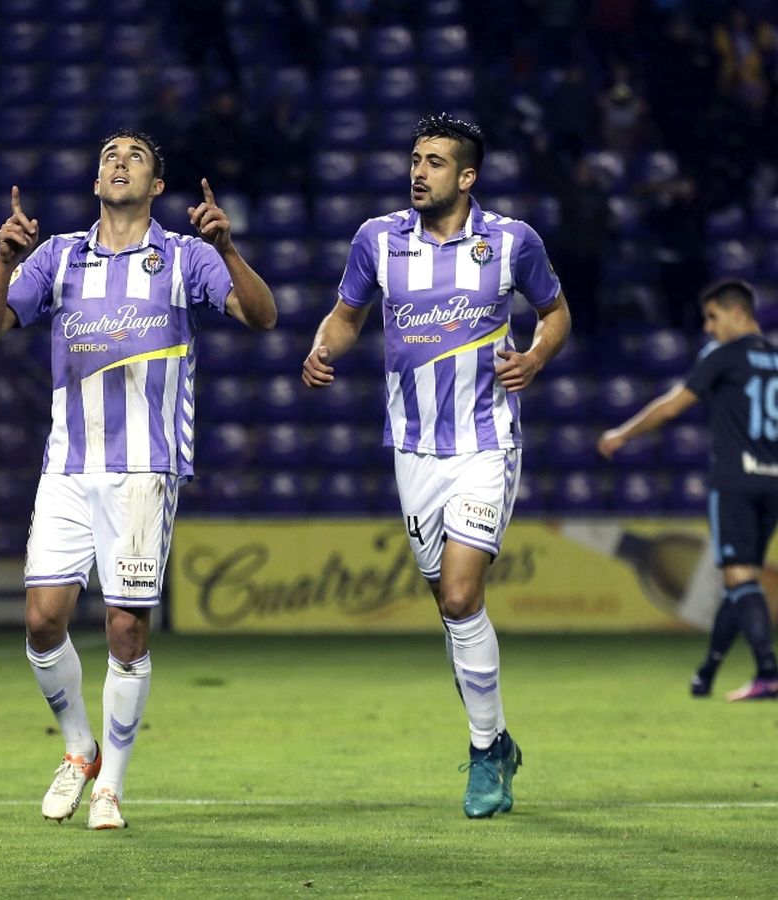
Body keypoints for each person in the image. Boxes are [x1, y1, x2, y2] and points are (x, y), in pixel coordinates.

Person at [0, 129, 277, 829]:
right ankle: (81, 750)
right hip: (67, 468)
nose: (118, 161)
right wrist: (1, 261)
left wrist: (228, 249)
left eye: (135, 156)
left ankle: (112, 786)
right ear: (95, 178)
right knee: (42, 621)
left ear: (157, 186)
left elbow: (263, 317)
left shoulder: (185, 257)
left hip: (145, 470)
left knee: (124, 633)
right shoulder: (57, 255)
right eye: (109, 154)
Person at [301, 113, 571, 819]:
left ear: (468, 176)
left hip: (486, 443)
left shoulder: (513, 242)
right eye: (415, 159)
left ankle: (485, 756)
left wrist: (536, 357)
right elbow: (345, 316)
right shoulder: (376, 241)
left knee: (458, 596)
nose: (419, 171)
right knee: (452, 612)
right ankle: (500, 739)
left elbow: (556, 312)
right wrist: (322, 347)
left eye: (435, 162)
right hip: (413, 451)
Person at [600, 278, 778, 701]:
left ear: (737, 313)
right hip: (774, 482)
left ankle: (769, 673)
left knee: (740, 575)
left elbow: (673, 405)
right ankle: (707, 672)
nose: (708, 327)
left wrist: (624, 433)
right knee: (739, 579)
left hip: (735, 480)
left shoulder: (722, 355)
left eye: (712, 317)